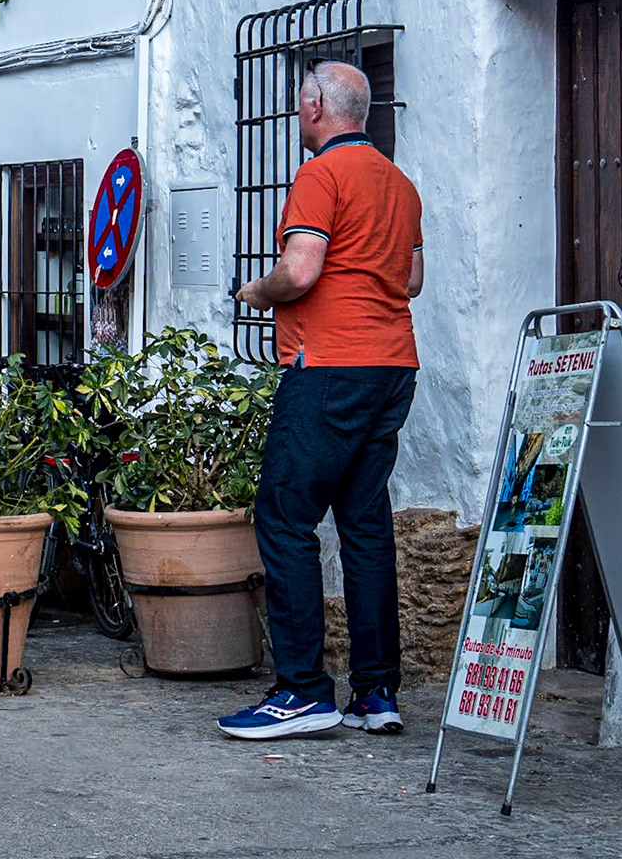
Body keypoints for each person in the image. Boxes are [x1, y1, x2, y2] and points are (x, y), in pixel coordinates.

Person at [222, 60, 424, 741]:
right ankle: (377, 692)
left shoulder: (319, 175)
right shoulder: (399, 183)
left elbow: (302, 269)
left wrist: (259, 291)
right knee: (364, 524)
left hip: (331, 365)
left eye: (298, 102)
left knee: (284, 516)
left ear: (314, 108)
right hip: (392, 366)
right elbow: (412, 278)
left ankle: (303, 691)